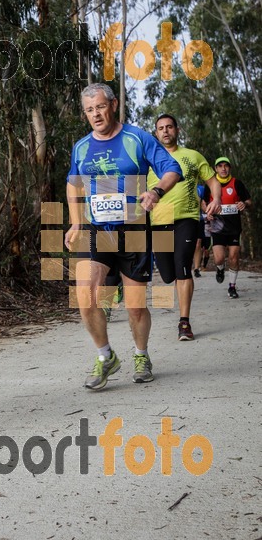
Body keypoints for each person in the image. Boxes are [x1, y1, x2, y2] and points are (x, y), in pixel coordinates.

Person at [65, 83, 182, 391]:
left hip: (132, 229)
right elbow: (73, 184)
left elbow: (172, 169)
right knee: (85, 295)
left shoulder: (137, 138)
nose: (95, 114)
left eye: (100, 107)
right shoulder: (81, 147)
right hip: (96, 229)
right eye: (89, 110)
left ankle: (141, 355)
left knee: (134, 306)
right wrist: (76, 222)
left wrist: (156, 191)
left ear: (113, 105)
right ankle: (105, 356)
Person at [148, 115, 221, 340]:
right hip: (158, 221)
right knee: (168, 274)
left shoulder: (192, 156)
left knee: (182, 267)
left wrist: (215, 199)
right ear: (156, 133)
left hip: (186, 219)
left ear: (177, 130)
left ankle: (184, 323)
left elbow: (212, 180)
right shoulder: (149, 159)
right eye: (161, 128)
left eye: (169, 127)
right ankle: (178, 293)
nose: (165, 131)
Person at [206, 157, 252, 298]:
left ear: (229, 168)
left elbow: (248, 200)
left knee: (233, 257)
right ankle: (220, 269)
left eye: (226, 166)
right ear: (216, 169)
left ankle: (232, 287)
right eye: (220, 166)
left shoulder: (236, 183)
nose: (223, 168)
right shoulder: (211, 184)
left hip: (234, 228)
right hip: (218, 227)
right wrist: (208, 213)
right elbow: (203, 202)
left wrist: (244, 204)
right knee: (219, 259)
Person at [193, 184, 211, 277]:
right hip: (183, 220)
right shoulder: (178, 184)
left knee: (198, 243)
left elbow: (204, 204)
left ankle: (196, 268)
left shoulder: (201, 189)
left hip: (198, 219)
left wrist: (209, 212)